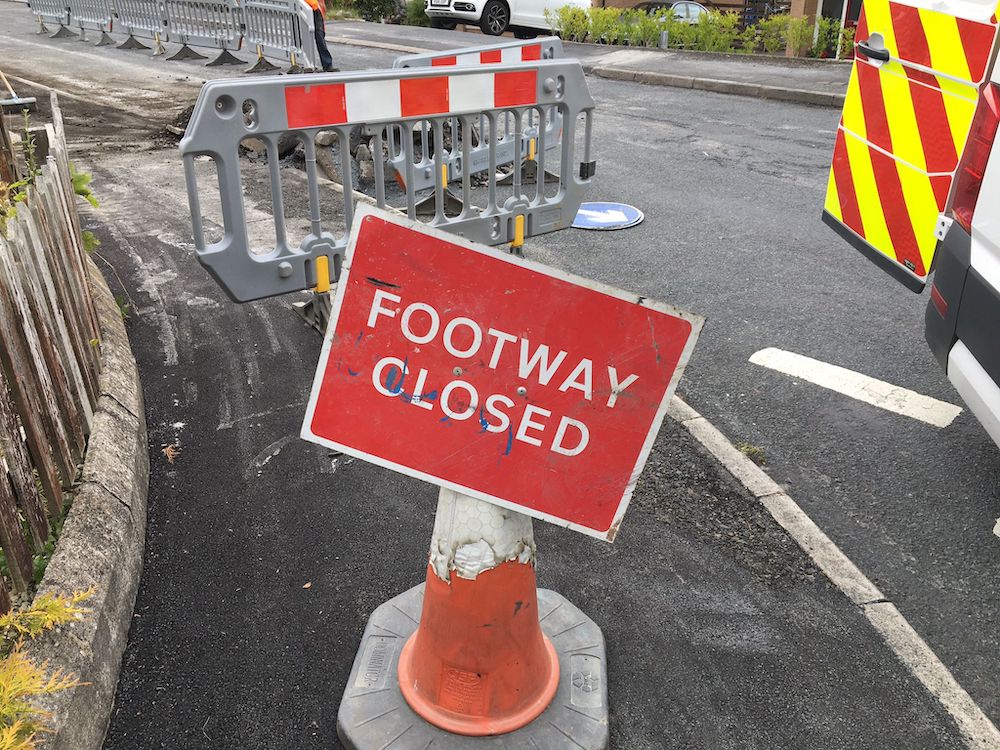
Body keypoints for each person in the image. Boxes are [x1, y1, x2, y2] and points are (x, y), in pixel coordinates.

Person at [306, 0, 338, 72]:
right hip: (307, 6)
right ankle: (302, 64)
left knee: (319, 35)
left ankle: (327, 64)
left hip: (314, 7)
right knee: (302, 35)